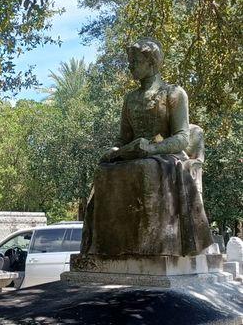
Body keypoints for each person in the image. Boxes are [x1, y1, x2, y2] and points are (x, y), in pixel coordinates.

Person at [81, 37, 212, 257]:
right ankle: (107, 247)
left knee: (146, 169)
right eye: (129, 61)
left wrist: (151, 149)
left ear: (151, 63)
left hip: (166, 155)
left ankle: (150, 246)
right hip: (133, 154)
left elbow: (181, 138)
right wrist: (115, 151)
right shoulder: (130, 99)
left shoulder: (174, 93)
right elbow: (122, 139)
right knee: (103, 172)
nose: (130, 65)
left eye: (135, 61)